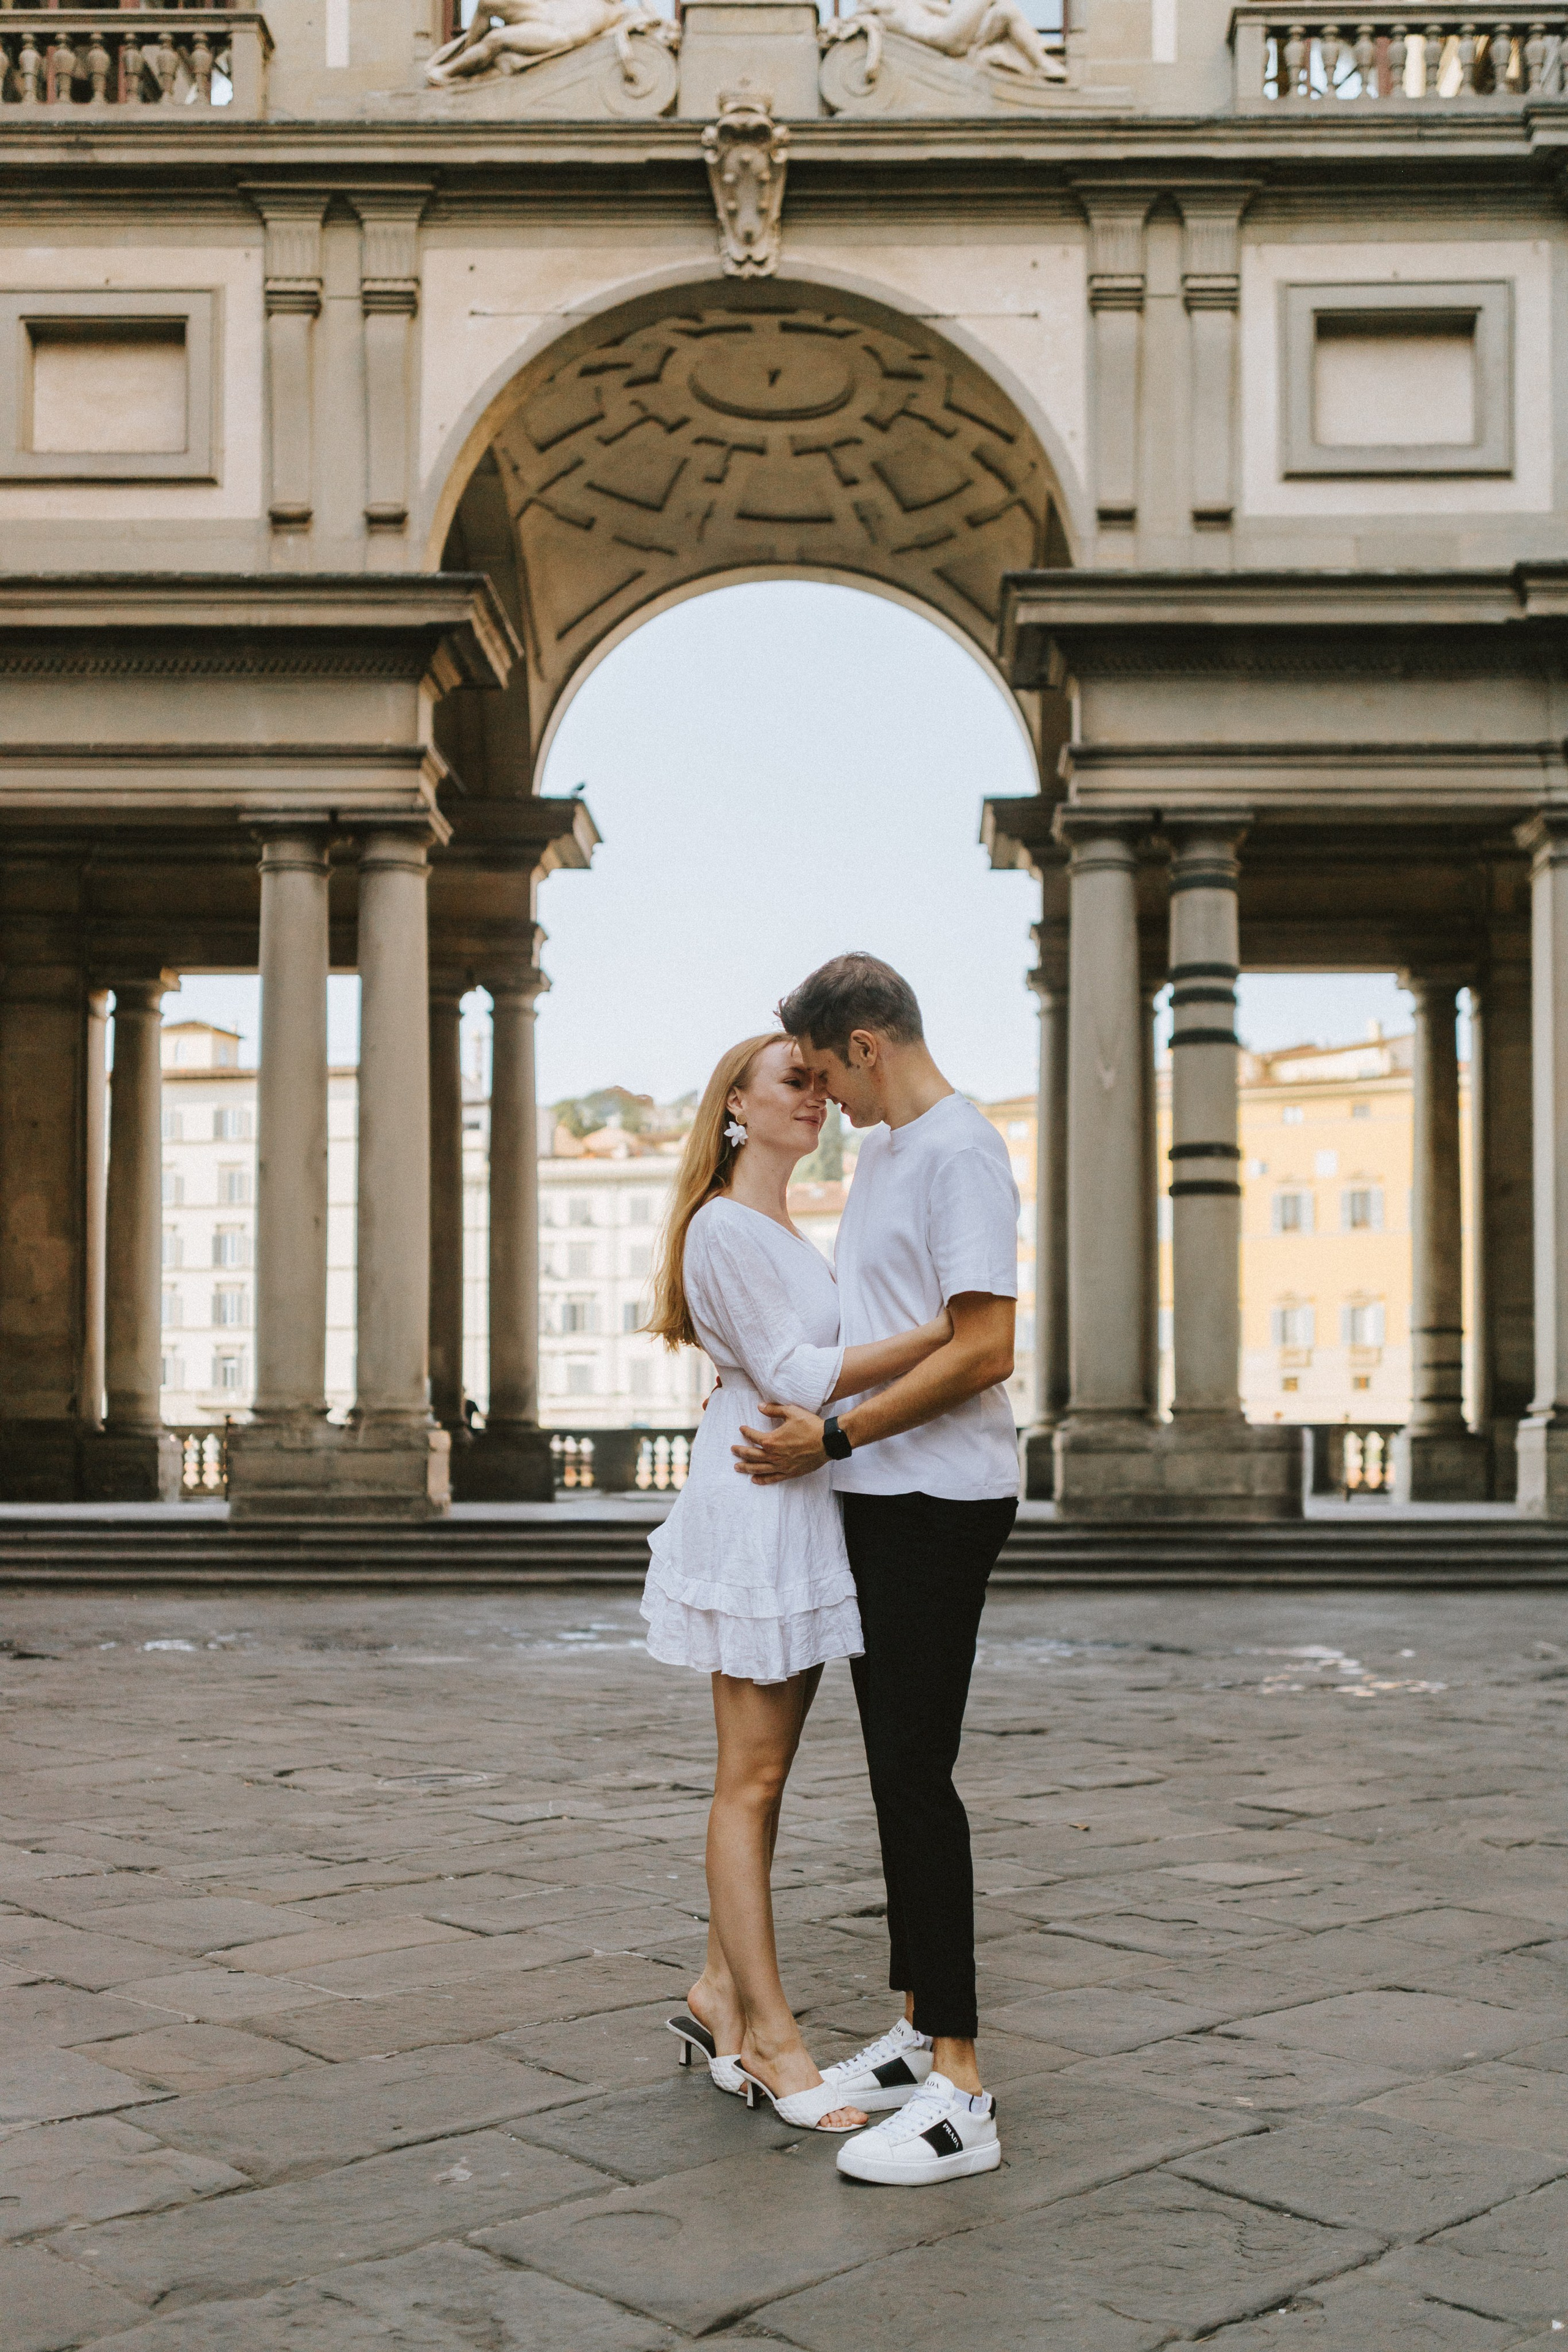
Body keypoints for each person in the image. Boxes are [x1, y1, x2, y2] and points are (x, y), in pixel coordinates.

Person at [733, 954, 1019, 2187]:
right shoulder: (889, 1151)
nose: (823, 1098)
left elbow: (986, 1345)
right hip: (878, 1499)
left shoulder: (958, 1150)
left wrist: (834, 1433)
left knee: (918, 1777)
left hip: (937, 1500)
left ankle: (960, 2086)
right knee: (895, 1773)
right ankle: (914, 2032)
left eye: (822, 1072)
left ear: (863, 1043)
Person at [643, 1032, 954, 2133]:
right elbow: (790, 1376)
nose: (817, 1099)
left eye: (823, 1083)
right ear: (735, 1101)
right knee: (752, 1781)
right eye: (794, 1082)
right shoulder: (725, 1225)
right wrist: (950, 1334)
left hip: (795, 1502)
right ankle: (772, 2042)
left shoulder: (777, 1224)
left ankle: (718, 1990)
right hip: (756, 1502)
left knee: (763, 1776)